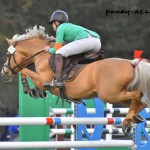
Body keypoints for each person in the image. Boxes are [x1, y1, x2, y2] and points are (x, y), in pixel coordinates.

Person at [44, 10, 101, 88]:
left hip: (86, 41)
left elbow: (57, 49)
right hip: (97, 41)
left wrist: (48, 49)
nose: (52, 26)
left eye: (52, 23)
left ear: (56, 22)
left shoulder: (60, 27)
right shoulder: (69, 26)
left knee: (59, 52)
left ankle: (58, 80)